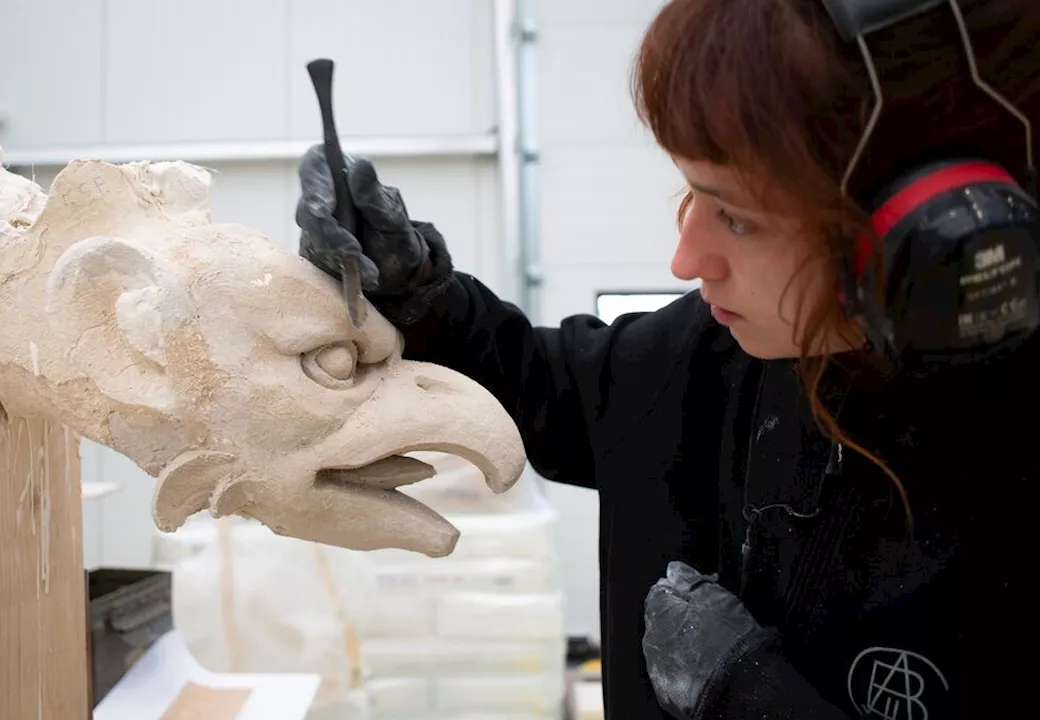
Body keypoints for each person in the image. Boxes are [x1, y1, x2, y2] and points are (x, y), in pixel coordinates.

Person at [296, 0, 1038, 717]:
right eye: (691, 192)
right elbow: (545, 389)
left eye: (738, 217)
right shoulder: (712, 353)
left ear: (929, 224)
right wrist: (417, 289)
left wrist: (749, 697)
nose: (686, 259)